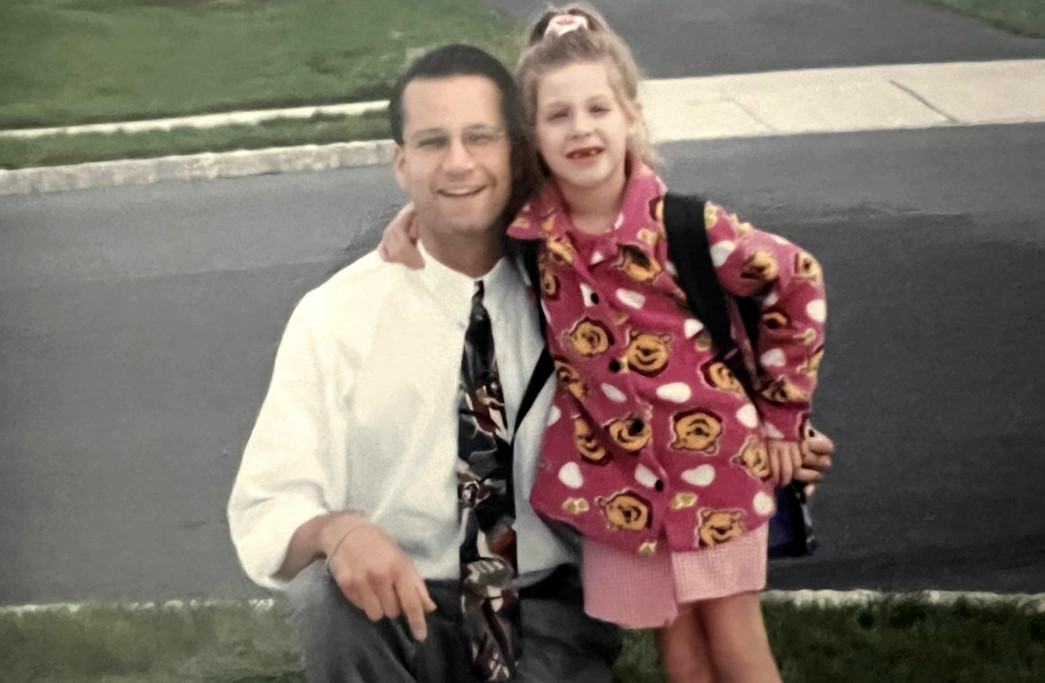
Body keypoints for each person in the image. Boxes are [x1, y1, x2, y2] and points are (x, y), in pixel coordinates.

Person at [377, 5, 830, 683]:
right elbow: (466, 208)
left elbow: (798, 283)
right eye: (558, 115)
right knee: (678, 651)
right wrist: (417, 210)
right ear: (534, 134)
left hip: (714, 467)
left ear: (629, 118)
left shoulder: (686, 227)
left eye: (597, 108)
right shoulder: (531, 235)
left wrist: (782, 416)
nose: (580, 128)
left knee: (735, 644)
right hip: (618, 483)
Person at [228, 44, 622, 683]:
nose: (459, 162)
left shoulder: (579, 294)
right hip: (398, 606)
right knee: (325, 594)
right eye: (433, 142)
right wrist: (338, 531)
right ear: (401, 164)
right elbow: (270, 499)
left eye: (480, 137)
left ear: (516, 152)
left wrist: (777, 424)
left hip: (544, 606)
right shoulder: (336, 316)